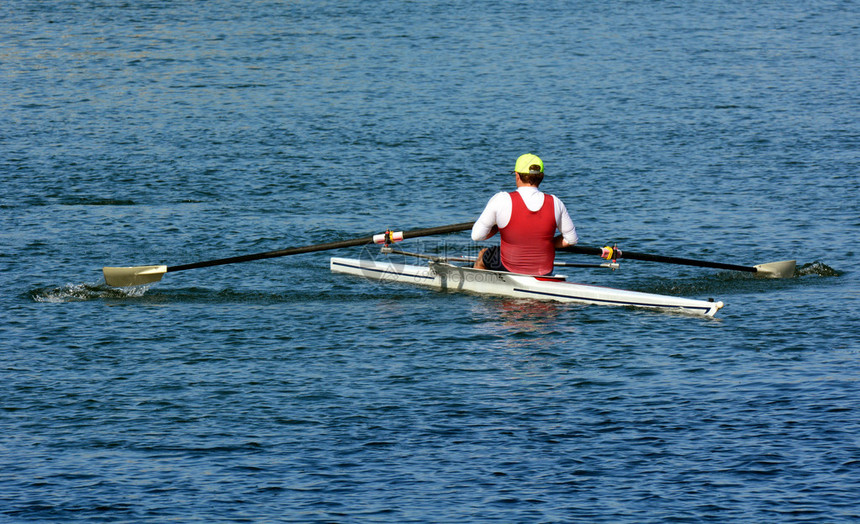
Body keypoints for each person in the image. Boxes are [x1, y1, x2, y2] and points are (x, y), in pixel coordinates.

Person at [472, 153, 578, 275]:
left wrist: (496, 227)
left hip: (510, 267)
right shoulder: (556, 202)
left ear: (517, 175)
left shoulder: (501, 199)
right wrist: (545, 243)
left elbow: (477, 236)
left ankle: (483, 289)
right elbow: (571, 239)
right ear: (541, 177)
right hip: (545, 271)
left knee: (483, 255)